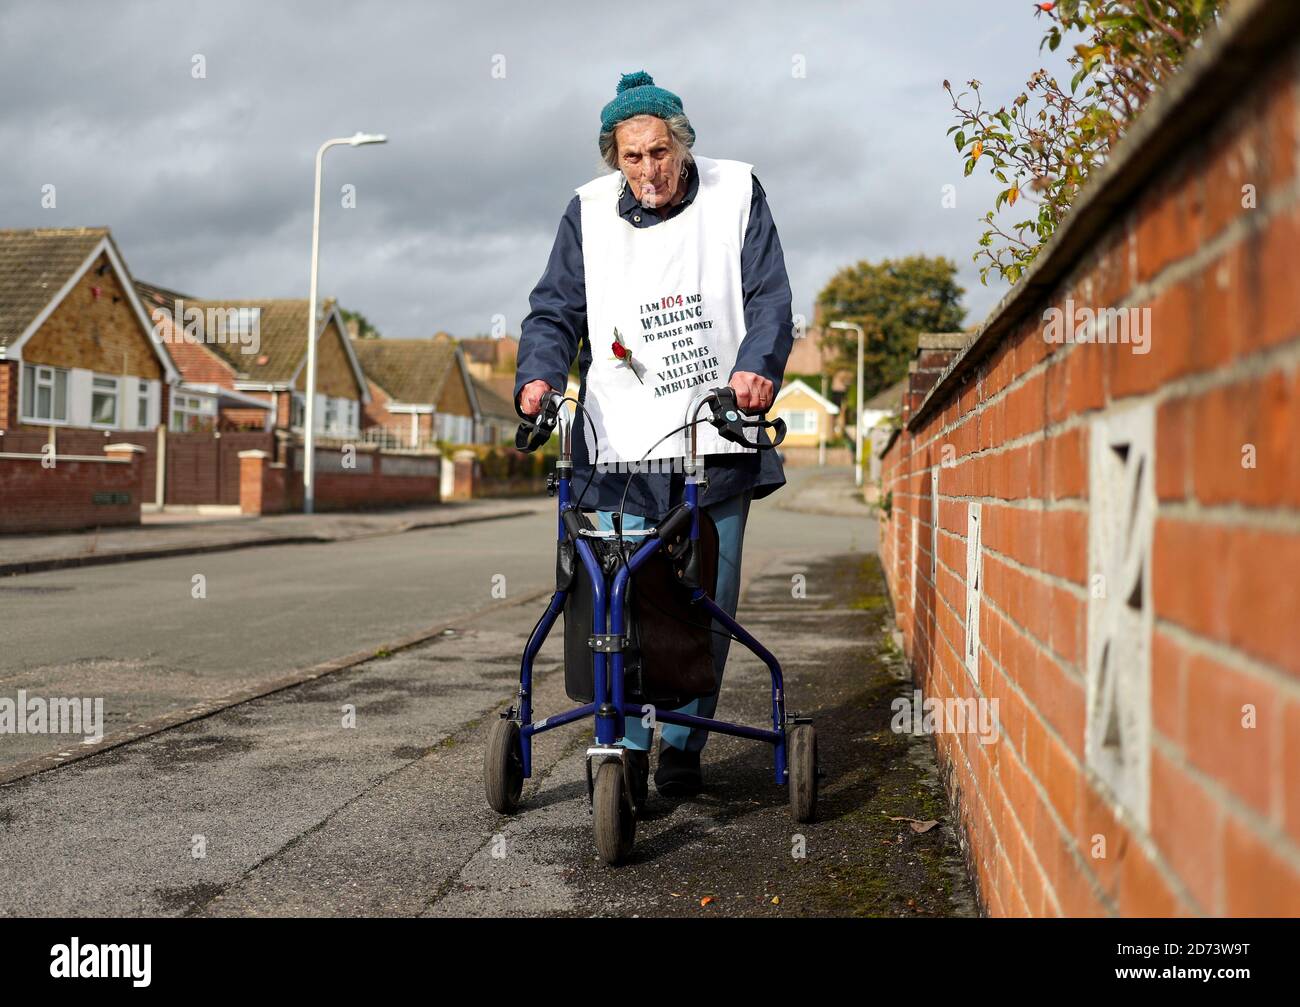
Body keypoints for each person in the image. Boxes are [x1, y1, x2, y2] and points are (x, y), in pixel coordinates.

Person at [514, 70, 794, 798]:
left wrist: (757, 368)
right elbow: (553, 311)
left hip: (716, 437)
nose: (649, 169)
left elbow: (769, 297)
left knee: (705, 599)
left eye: (660, 151)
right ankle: (628, 744)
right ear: (615, 157)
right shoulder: (585, 213)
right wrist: (537, 378)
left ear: (683, 145)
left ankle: (684, 745)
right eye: (632, 157)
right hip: (618, 446)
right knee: (621, 599)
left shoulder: (737, 193)